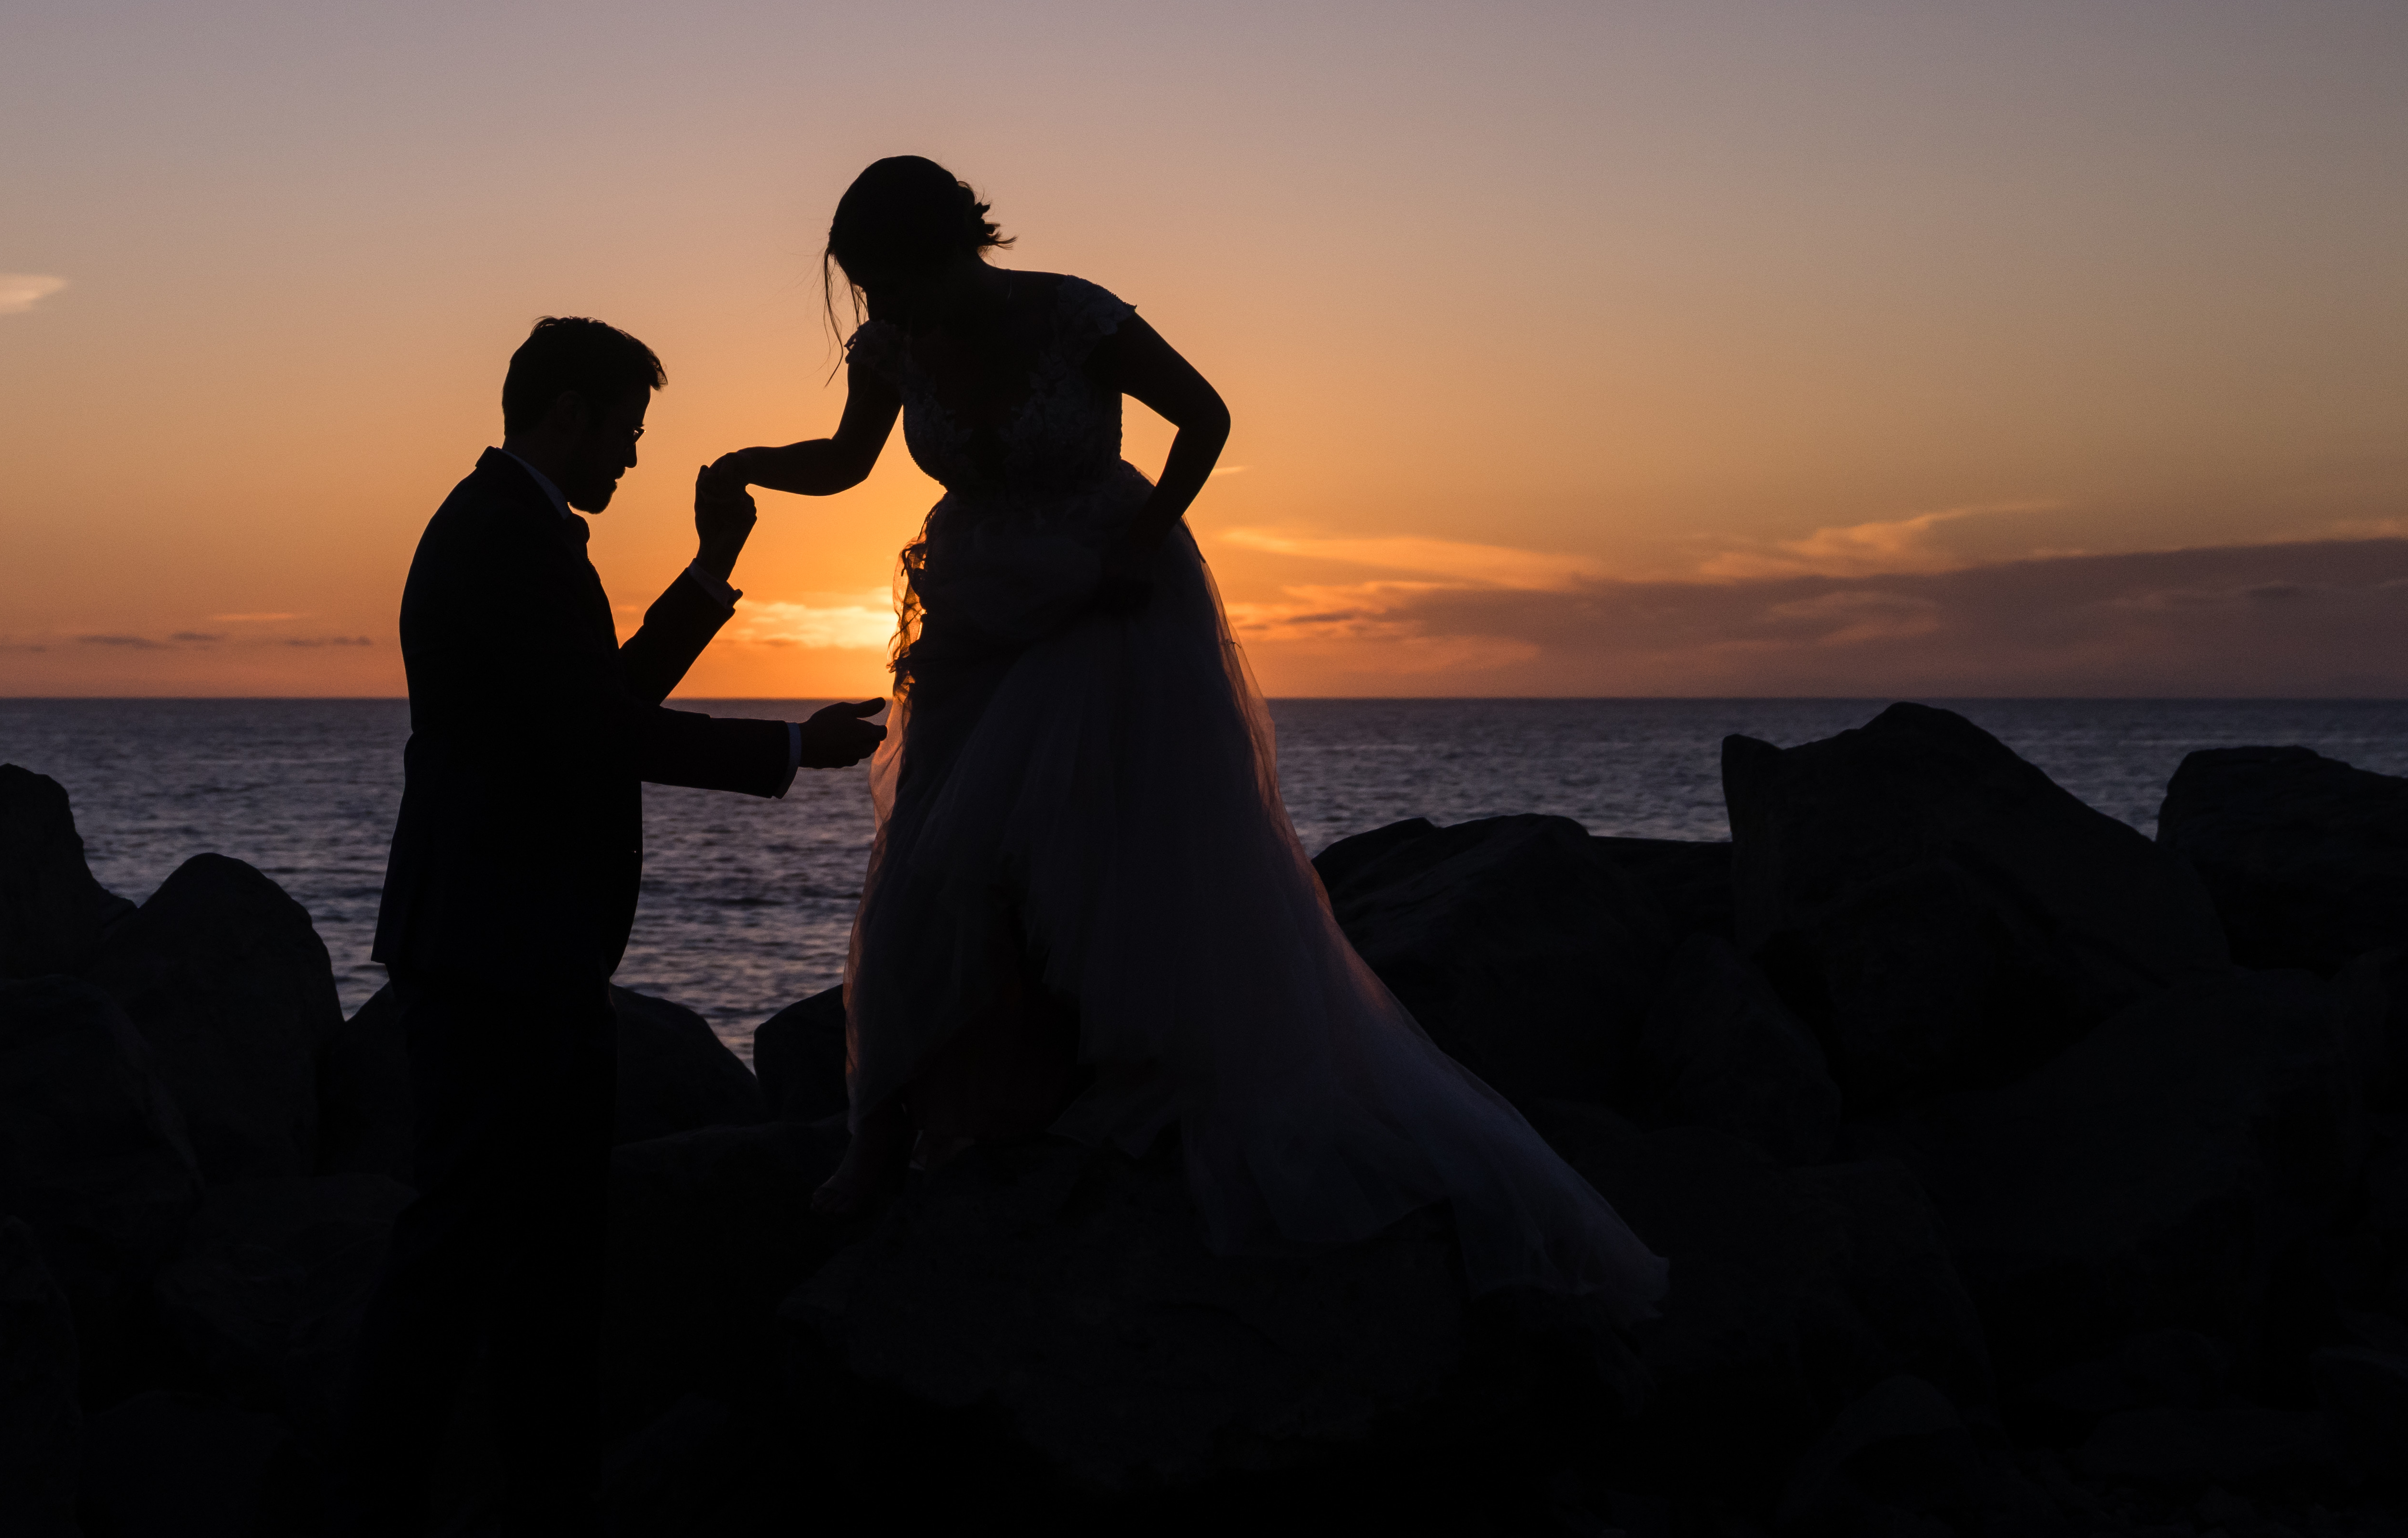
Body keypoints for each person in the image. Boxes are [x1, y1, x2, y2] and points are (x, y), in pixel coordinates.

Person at [708, 157, 1662, 1316]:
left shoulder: (1074, 314)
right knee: (928, 862)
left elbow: (1204, 418)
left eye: (891, 280)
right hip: (978, 612)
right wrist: (751, 467)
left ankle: (1112, 1080)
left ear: (949, 246)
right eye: (868, 292)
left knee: (1106, 854)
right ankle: (886, 1129)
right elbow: (851, 462)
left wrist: (1137, 541)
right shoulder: (894, 347)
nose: (882, 310)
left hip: (1114, 604)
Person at [344, 315, 889, 1532]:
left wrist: (708, 575)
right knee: (472, 1250)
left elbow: (599, 703)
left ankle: (522, 1486)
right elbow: (605, 736)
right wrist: (796, 750)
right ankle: (392, 1491)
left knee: (538, 1246)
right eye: (627, 430)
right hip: (498, 947)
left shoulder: (513, 531)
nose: (635, 458)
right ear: (570, 414)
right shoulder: (501, 540)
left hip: (514, 942)